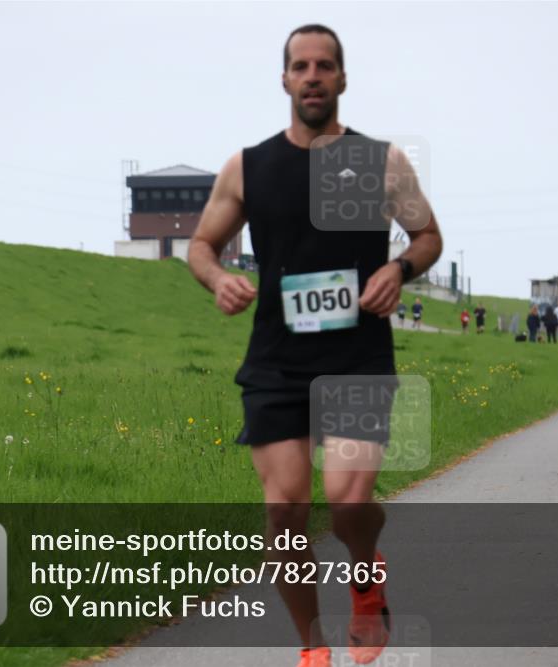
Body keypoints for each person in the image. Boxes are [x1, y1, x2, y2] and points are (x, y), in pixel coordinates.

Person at [187, 25, 442, 667]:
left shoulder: (380, 160)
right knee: (285, 515)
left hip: (358, 356)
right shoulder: (248, 166)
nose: (312, 76)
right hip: (276, 360)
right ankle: (312, 648)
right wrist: (218, 278)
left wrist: (399, 270)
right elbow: (200, 244)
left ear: (342, 79)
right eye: (300, 66)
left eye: (324, 65)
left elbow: (428, 236)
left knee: (349, 502)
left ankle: (365, 573)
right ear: (284, 80)